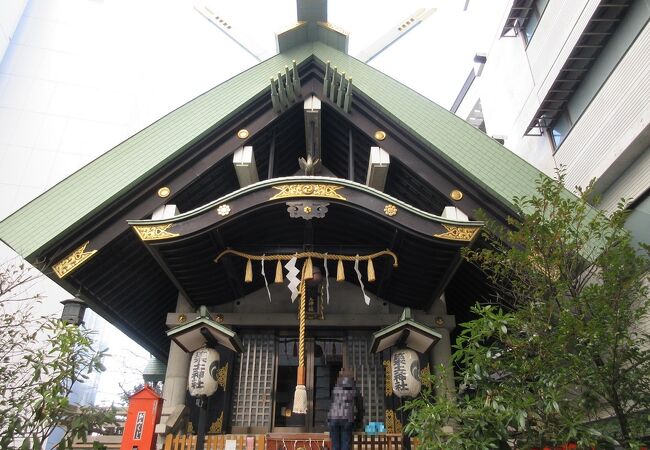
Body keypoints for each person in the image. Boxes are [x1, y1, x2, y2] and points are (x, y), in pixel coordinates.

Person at [327, 369, 364, 450]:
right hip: (347, 419)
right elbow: (360, 408)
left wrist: (329, 420)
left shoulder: (335, 389)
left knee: (335, 446)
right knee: (345, 446)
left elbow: (331, 405)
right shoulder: (354, 389)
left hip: (334, 418)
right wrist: (359, 422)